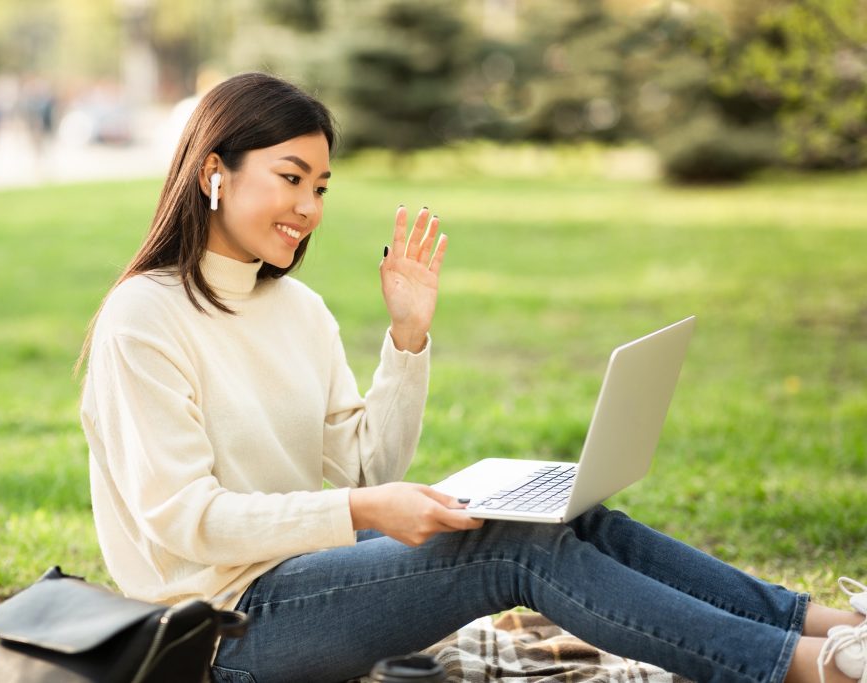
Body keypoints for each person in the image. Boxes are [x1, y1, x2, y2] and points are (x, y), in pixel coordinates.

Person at [77, 72, 867, 683]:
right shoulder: (144, 319)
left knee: (577, 519)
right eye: (290, 177)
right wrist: (362, 509)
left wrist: (408, 338)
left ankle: (831, 627)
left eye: (320, 186)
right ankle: (804, 670)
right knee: (511, 550)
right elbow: (186, 521)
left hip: (309, 579)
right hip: (221, 630)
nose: (309, 206)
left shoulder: (298, 308)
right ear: (214, 170)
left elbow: (366, 470)